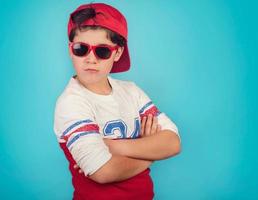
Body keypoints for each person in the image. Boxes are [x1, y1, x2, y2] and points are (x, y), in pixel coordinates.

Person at [53, 3, 181, 200]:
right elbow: (103, 172)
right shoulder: (71, 103)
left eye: (102, 51)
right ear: (71, 50)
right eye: (81, 49)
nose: (90, 59)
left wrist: (114, 146)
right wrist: (150, 150)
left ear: (117, 53)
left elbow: (172, 143)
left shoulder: (131, 92)